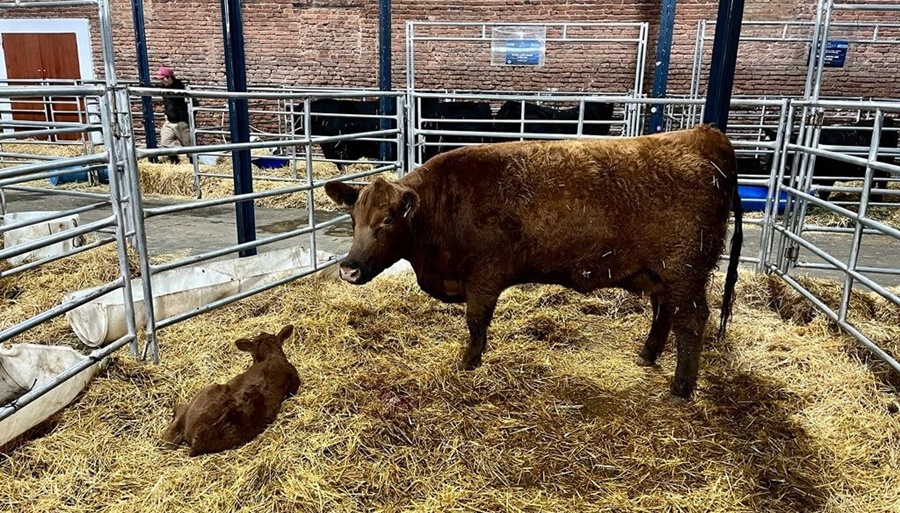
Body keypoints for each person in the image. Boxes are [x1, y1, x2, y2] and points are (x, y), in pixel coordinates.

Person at [153, 66, 191, 164]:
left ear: (169, 77)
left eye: (162, 79)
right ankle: (175, 162)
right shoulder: (164, 88)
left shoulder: (181, 88)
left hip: (181, 122)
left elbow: (193, 102)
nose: (161, 81)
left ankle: (194, 164)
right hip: (169, 121)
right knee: (165, 143)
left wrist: (187, 119)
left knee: (189, 147)